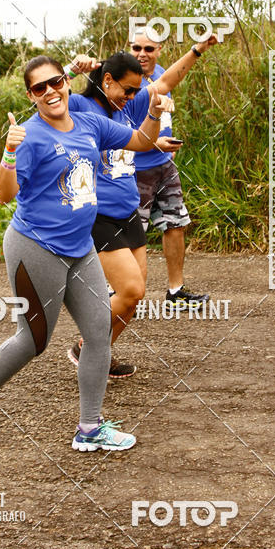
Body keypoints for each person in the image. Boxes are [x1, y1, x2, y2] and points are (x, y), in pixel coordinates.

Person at [0, 55, 162, 452]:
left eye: (55, 82)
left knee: (99, 331)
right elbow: (4, 194)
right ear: (30, 96)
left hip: (80, 246)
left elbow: (141, 141)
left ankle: (90, 428)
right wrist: (9, 153)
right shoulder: (29, 136)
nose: (50, 91)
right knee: (34, 341)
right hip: (35, 247)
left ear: (66, 83)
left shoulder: (89, 123)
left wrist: (152, 112)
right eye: (39, 88)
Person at [66, 52, 180, 378]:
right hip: (97, 213)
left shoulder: (124, 109)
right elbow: (46, 102)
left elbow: (144, 140)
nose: (131, 97)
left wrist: (155, 111)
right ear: (106, 81)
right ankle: (90, 350)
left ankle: (94, 353)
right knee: (131, 290)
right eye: (127, 90)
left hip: (128, 210)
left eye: (135, 92)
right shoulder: (80, 107)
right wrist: (70, 70)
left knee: (132, 299)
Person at [130, 28, 217, 307]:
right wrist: (155, 144)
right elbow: (120, 131)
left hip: (164, 166)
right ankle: (121, 292)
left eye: (148, 49)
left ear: (159, 51)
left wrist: (164, 148)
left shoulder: (160, 74)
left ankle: (175, 291)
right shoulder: (125, 82)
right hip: (135, 170)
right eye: (136, 48)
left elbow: (165, 99)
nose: (142, 54)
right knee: (133, 232)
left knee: (175, 225)